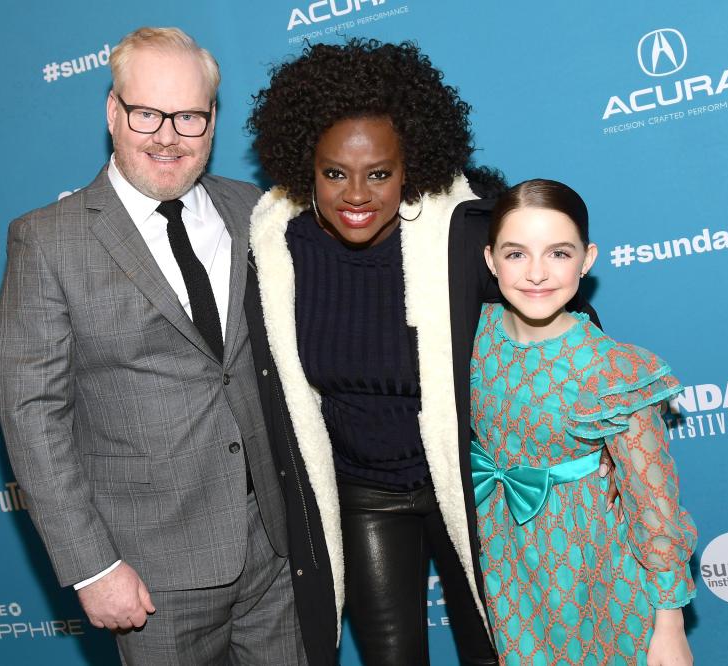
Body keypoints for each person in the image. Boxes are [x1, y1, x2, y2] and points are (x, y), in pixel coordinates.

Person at [246, 39, 611, 665]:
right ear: (307, 165)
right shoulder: (281, 248)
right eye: (335, 172)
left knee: (498, 651)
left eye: (379, 173)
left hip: (476, 482)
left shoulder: (465, 233)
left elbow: (567, 317)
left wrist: (586, 444)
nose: (356, 194)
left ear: (412, 165)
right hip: (364, 493)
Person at [0, 27, 305, 665]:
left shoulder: (256, 212)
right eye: (147, 114)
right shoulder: (47, 241)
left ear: (213, 121)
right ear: (113, 112)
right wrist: (92, 568)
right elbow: (33, 417)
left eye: (189, 116)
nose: (167, 135)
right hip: (150, 571)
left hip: (276, 546)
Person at [471, 179, 696, 665]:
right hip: (506, 563)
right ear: (490, 260)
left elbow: (652, 501)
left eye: (557, 253)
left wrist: (670, 623)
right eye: (515, 254)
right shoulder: (471, 337)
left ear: (586, 259)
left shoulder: (614, 369)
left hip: (599, 568)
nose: (535, 274)